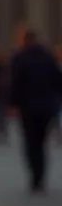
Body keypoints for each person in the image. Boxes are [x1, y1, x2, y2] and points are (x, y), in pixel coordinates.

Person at [9, 26, 62, 193]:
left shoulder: (20, 57)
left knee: (31, 143)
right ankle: (40, 176)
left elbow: (15, 83)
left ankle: (35, 176)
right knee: (41, 142)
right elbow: (58, 81)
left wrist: (12, 104)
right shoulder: (47, 56)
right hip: (47, 107)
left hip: (28, 107)